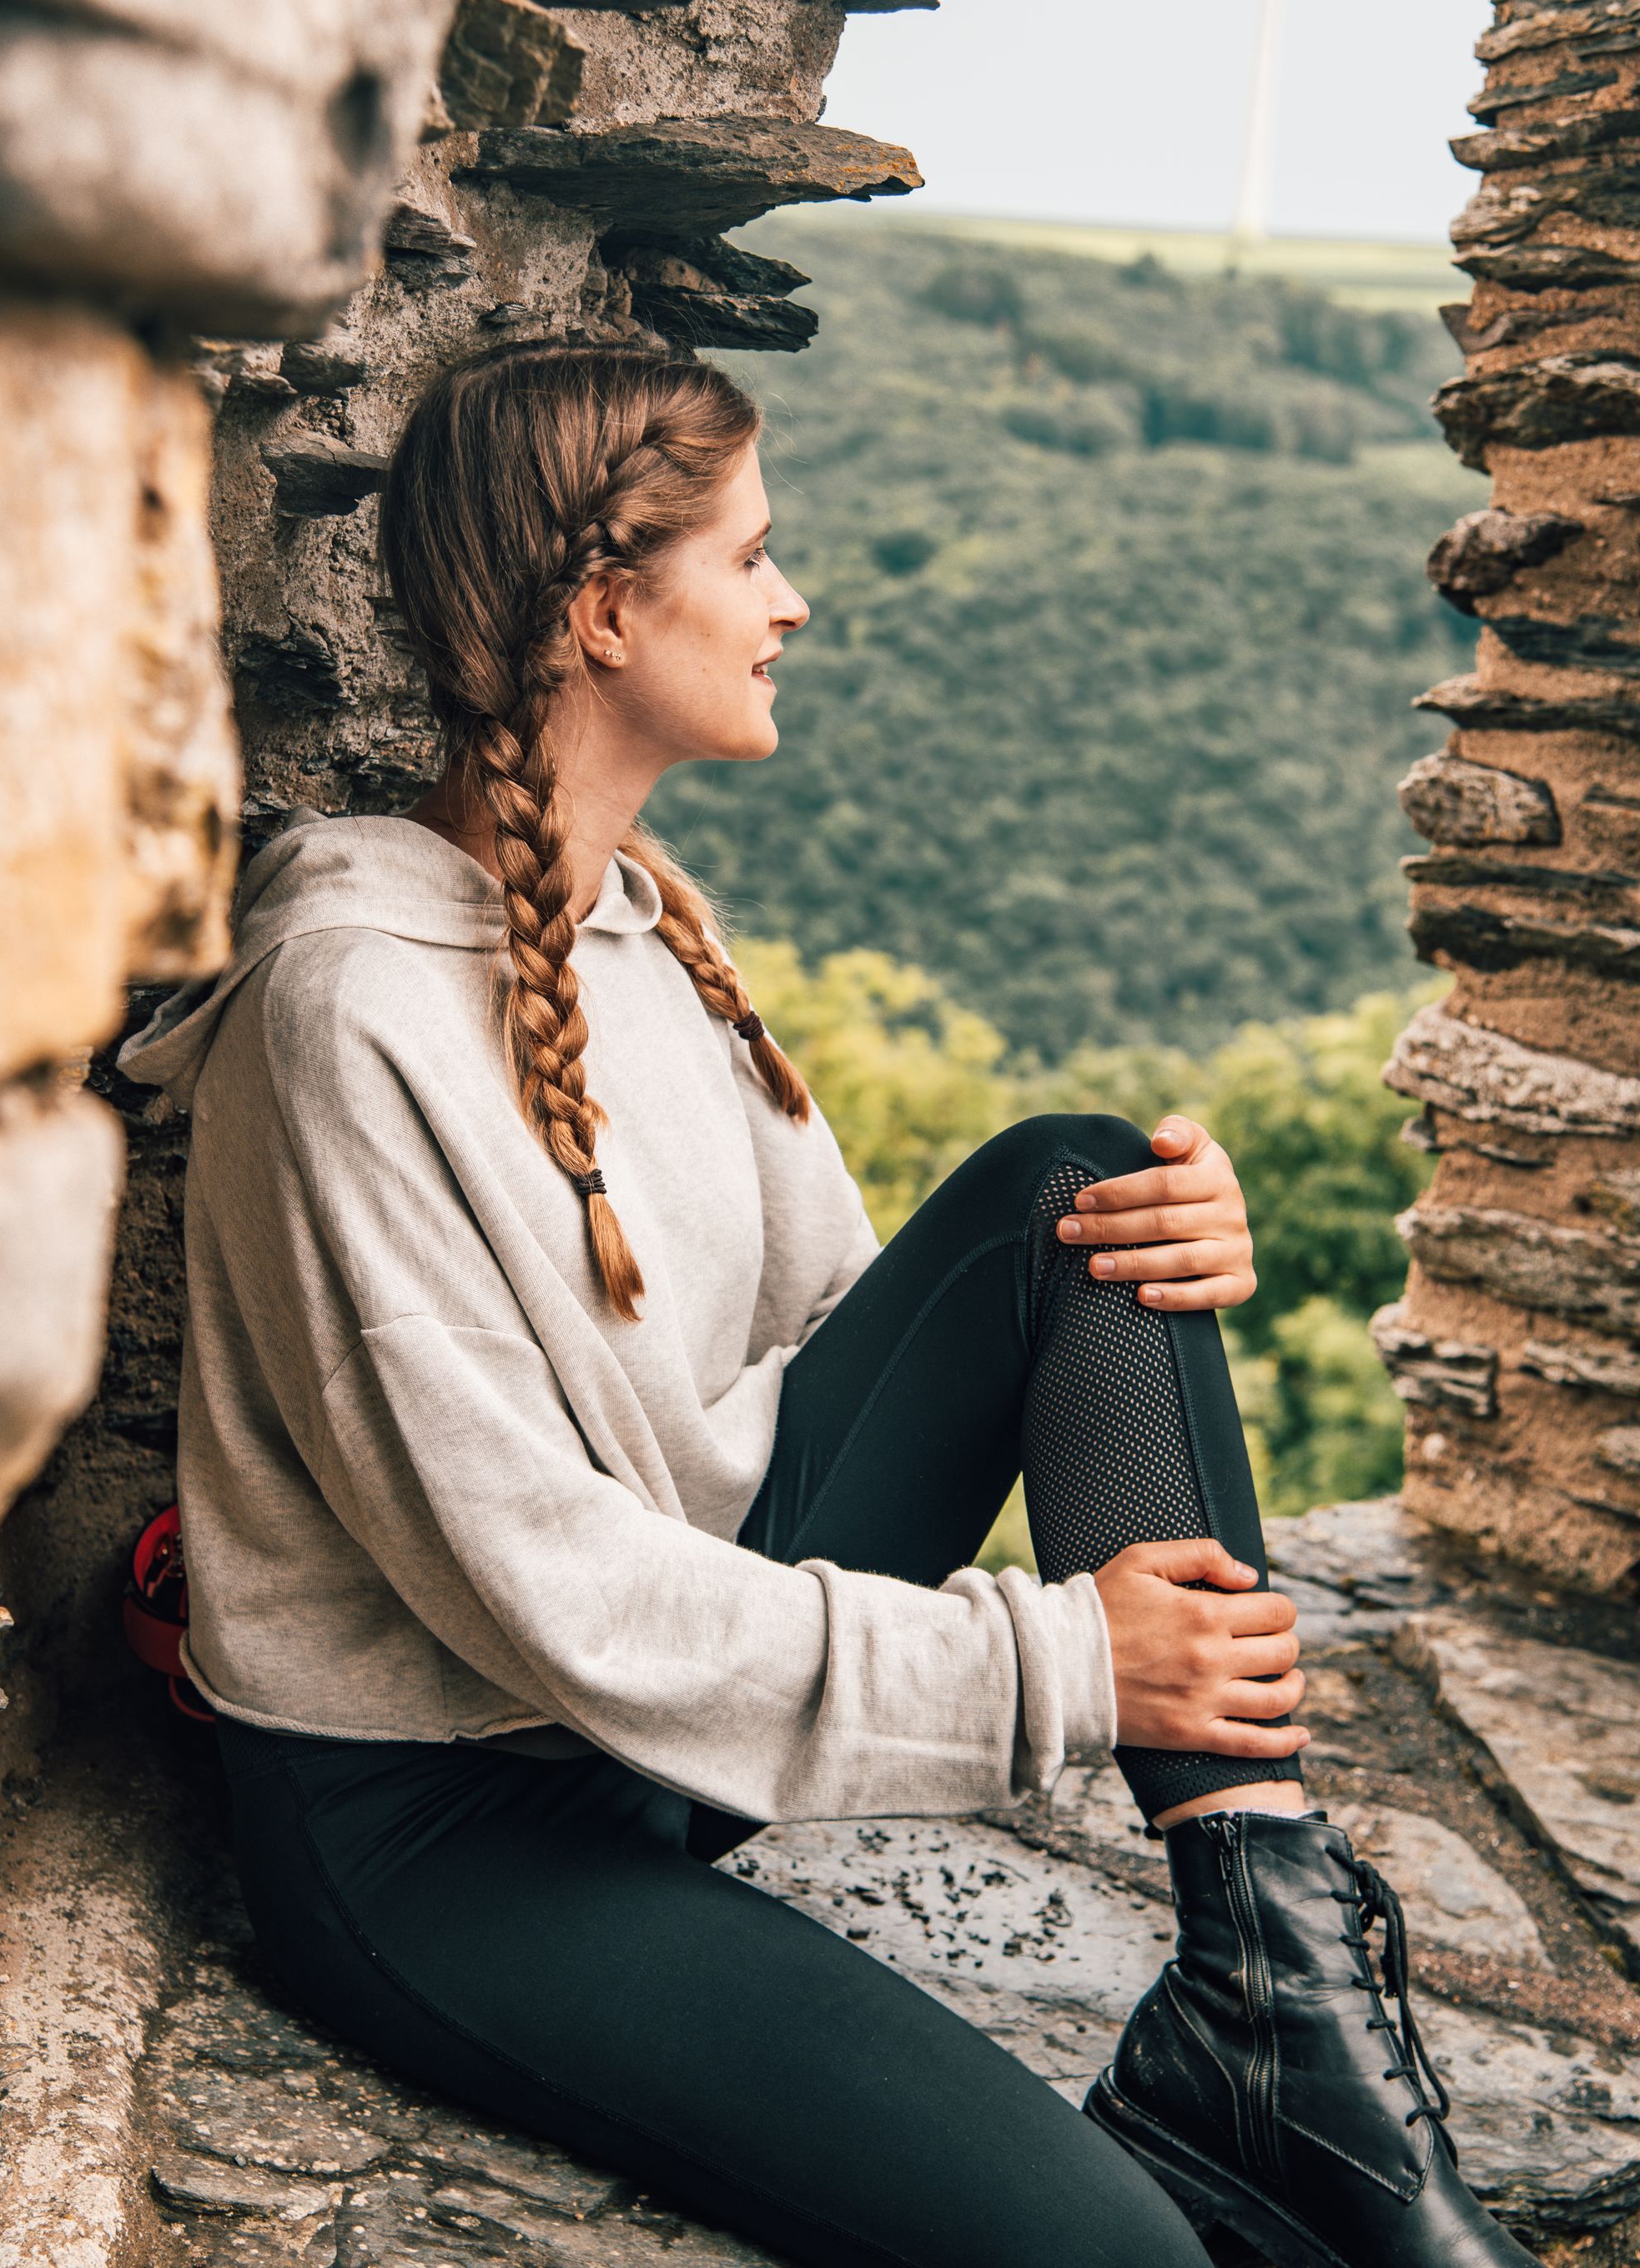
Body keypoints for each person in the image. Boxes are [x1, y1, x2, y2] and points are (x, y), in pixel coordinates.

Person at [121, 344, 1532, 2268]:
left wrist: (1151, 1255)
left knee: (1079, 1179)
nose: (792, 604)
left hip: (657, 1729)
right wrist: (1064, 1668)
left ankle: (1262, 1979)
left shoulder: (642, 924)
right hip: (444, 1827)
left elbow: (843, 1349)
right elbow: (546, 1591)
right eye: (754, 557)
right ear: (605, 609)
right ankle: (1248, 2124)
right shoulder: (346, 1016)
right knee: (1110, 2258)